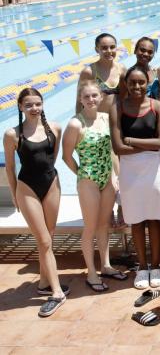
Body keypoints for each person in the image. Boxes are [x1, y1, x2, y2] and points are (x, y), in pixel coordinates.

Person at [3, 88, 67, 316]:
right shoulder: (12, 134)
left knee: (48, 237)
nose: (34, 108)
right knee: (44, 240)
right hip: (27, 188)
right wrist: (14, 194)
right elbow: (10, 168)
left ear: (43, 104)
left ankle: (43, 282)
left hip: (51, 184)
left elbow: (52, 158)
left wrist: (50, 178)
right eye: (29, 105)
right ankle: (57, 293)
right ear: (20, 107)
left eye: (38, 104)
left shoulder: (55, 129)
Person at [110, 66, 160, 289]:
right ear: (125, 84)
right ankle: (142, 267)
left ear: (148, 83)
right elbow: (117, 147)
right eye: (132, 82)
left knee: (154, 218)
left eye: (141, 82)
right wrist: (146, 145)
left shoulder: (158, 106)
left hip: (153, 169)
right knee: (136, 219)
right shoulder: (118, 108)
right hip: (130, 170)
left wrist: (130, 140)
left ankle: (156, 265)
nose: (136, 86)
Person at [62, 82, 125, 292]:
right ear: (80, 99)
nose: (91, 100)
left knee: (103, 225)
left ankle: (106, 265)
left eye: (94, 95)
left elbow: (112, 151)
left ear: (101, 97)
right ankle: (91, 273)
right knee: (90, 228)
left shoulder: (106, 118)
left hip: (108, 178)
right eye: (86, 96)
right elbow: (66, 156)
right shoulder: (75, 124)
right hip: (88, 180)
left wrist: (116, 175)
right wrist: (82, 175)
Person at [77, 33, 126, 114]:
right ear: (97, 49)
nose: (109, 51)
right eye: (104, 48)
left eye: (112, 47)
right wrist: (79, 120)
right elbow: (79, 101)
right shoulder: (89, 72)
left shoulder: (122, 69)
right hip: (96, 119)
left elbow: (125, 96)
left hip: (117, 117)